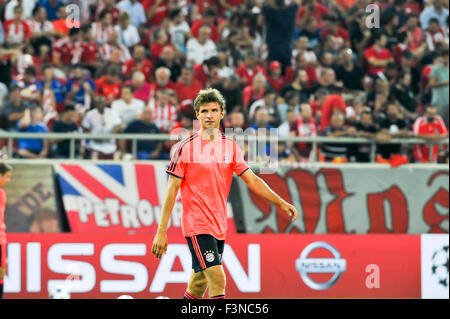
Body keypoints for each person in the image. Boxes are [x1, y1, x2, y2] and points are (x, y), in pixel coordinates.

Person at [151, 88, 298, 299]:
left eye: (213, 110)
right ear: (197, 114)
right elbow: (171, 190)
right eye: (204, 111)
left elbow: (252, 180)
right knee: (218, 279)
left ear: (222, 113)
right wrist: (161, 231)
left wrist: (280, 202)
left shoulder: (231, 147)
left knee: (199, 280)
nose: (209, 115)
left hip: (218, 225)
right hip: (196, 224)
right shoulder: (185, 148)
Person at [0, 163, 13, 299]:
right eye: (7, 176)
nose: (8, 180)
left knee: (1, 273)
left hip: (1, 239)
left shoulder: (2, 193)